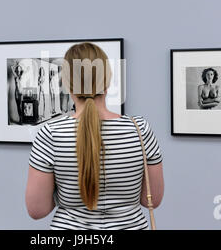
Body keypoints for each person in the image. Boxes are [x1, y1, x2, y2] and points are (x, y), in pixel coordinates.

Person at [25, 42, 164, 230]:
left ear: (66, 83)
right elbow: (152, 200)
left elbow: (37, 210)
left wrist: (63, 195)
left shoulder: (51, 134)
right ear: (107, 80)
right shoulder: (139, 129)